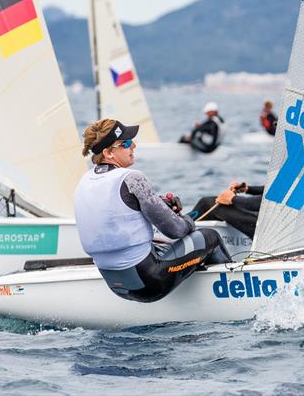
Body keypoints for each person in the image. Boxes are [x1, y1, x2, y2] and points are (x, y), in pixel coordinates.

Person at [74, 118, 231, 303]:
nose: (134, 145)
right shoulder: (133, 178)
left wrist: (159, 205)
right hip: (150, 283)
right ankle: (233, 292)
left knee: (160, 244)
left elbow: (117, 212)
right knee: (209, 237)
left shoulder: (84, 180)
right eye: (125, 143)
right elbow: (176, 230)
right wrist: (187, 220)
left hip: (116, 286)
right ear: (108, 152)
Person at [190, 182, 263, 239]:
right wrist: (248, 189)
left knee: (206, 203)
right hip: (265, 223)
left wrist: (232, 198)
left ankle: (183, 224)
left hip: (265, 230)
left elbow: (260, 204)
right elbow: (270, 194)